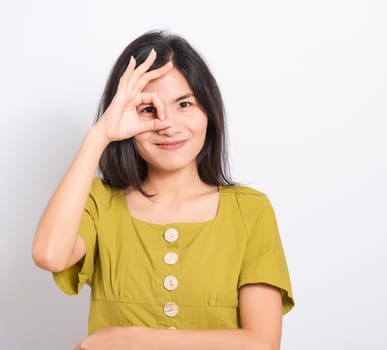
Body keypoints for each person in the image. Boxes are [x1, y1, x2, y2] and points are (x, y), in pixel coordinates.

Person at [32, 30, 294, 350]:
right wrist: (100, 135)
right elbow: (49, 255)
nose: (167, 123)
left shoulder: (251, 211)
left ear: (208, 112)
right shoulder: (101, 201)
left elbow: (262, 343)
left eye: (184, 104)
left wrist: (133, 339)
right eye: (148, 109)